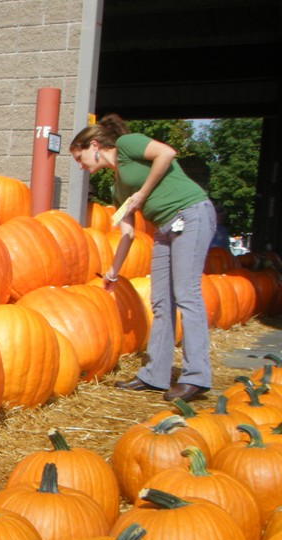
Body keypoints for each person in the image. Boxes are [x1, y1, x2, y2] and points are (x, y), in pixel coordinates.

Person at [69, 115, 216, 404]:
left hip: (191, 213)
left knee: (186, 294)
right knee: (161, 301)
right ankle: (155, 375)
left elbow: (167, 153)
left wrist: (143, 193)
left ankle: (196, 377)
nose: (80, 164)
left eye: (80, 156)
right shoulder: (116, 187)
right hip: (164, 228)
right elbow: (127, 233)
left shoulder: (127, 145)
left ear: (94, 144)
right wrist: (112, 271)